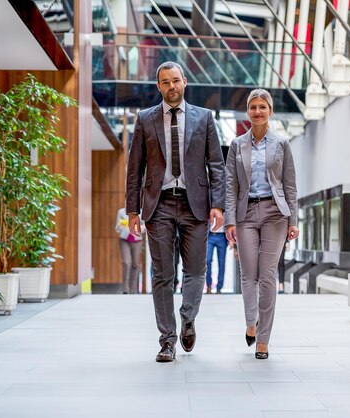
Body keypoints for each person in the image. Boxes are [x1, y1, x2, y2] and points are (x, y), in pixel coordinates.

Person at [126, 61, 226, 363]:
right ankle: (167, 340)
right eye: (165, 82)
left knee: (196, 271)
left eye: (176, 81)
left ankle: (187, 319)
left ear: (184, 82)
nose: (171, 87)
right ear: (158, 86)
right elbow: (135, 168)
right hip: (159, 205)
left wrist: (218, 205)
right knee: (162, 275)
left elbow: (216, 166)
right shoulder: (145, 119)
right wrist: (133, 210)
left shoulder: (205, 118)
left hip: (195, 203)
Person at [224, 89, 299, 360]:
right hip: (245, 214)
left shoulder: (281, 144)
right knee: (248, 275)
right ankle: (251, 322)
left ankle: (263, 339)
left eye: (262, 107)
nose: (257, 111)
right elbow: (230, 185)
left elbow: (290, 186)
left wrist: (294, 220)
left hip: (275, 213)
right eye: (253, 107)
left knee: (267, 276)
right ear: (247, 112)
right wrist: (230, 220)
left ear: (270, 111)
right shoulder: (236, 145)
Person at [115, 208, 144, 294]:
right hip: (124, 239)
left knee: (135, 263)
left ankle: (133, 289)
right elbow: (117, 228)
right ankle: (125, 289)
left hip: (137, 240)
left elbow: (144, 226)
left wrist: (136, 227)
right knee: (126, 262)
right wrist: (124, 225)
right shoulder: (121, 212)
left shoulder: (141, 212)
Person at [206, 223, 228, 294]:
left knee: (221, 263)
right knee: (207, 260)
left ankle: (219, 287)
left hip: (222, 236)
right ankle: (208, 285)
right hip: (210, 235)